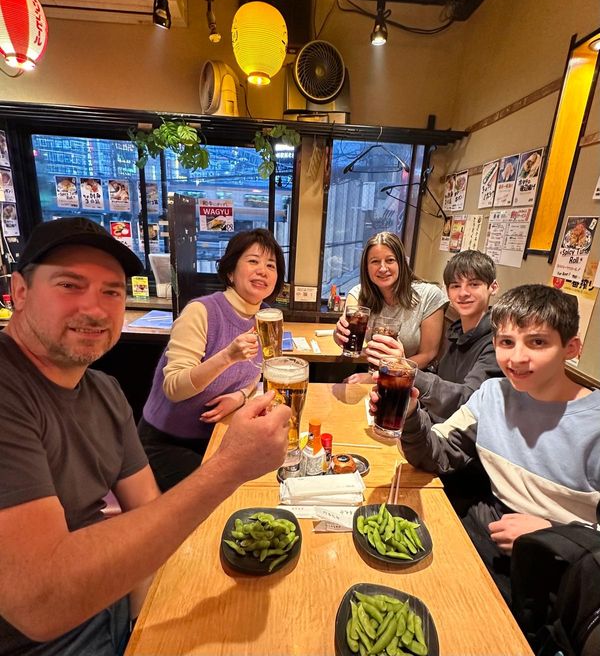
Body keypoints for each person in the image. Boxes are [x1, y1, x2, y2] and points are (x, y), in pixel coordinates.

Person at [0, 217, 290, 656]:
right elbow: (40, 603)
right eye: (70, 285)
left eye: (111, 292)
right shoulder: (8, 392)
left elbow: (148, 514)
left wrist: (146, 620)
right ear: (19, 292)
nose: (95, 308)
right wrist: (228, 467)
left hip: (107, 598)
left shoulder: (104, 393)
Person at [379, 284, 600, 602]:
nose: (517, 358)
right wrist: (410, 415)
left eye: (537, 342)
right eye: (506, 342)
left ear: (571, 348)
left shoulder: (593, 424)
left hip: (557, 572)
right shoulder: (494, 394)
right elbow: (439, 454)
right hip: (479, 536)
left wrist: (551, 533)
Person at [138, 228, 286, 491]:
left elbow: (255, 375)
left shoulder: (266, 318)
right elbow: (174, 387)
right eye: (253, 261)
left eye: (271, 265)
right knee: (223, 498)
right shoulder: (202, 311)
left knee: (269, 481)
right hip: (168, 441)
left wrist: (239, 396)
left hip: (219, 436)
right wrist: (227, 356)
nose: (262, 270)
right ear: (230, 272)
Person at [368, 249, 502, 423]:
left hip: (456, 438)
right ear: (447, 292)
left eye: (474, 284)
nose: (463, 293)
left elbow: (468, 400)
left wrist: (405, 368)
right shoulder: (457, 332)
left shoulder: (499, 343)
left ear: (493, 287)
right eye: (455, 286)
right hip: (432, 425)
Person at [334, 231, 447, 373]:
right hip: (371, 371)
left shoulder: (429, 295)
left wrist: (382, 373)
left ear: (401, 263)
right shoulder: (359, 294)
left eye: (390, 260)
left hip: (411, 379)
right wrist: (339, 334)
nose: (382, 268)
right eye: (375, 261)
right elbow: (346, 336)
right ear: (366, 267)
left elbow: (428, 355)